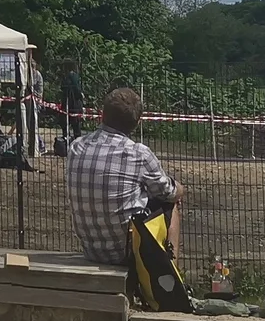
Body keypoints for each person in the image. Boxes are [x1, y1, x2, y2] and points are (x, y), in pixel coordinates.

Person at [66, 87, 182, 267]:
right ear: (136, 123)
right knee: (171, 205)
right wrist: (180, 188)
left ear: (102, 115)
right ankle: (172, 277)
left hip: (91, 251)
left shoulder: (76, 147)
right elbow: (168, 192)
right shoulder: (138, 153)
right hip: (127, 253)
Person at [59, 63, 86, 145]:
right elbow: (77, 88)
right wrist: (81, 95)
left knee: (67, 125)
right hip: (74, 104)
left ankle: (68, 141)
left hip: (69, 104)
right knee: (76, 126)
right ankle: (76, 143)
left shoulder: (66, 77)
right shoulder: (73, 76)